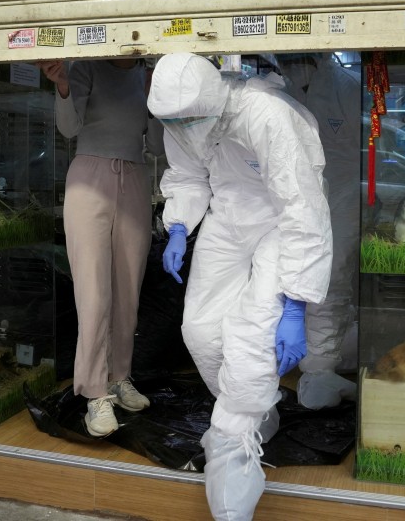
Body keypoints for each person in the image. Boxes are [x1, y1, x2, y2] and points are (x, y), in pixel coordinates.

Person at [148, 53, 332, 521]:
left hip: (279, 222)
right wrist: (177, 226)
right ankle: (255, 407)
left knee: (253, 334)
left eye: (187, 118)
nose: (182, 127)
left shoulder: (268, 115)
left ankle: (232, 453)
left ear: (209, 101)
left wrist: (293, 305)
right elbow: (189, 175)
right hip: (229, 217)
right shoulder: (183, 117)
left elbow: (303, 209)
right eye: (173, 121)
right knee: (201, 329)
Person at [38, 57, 160, 438]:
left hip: (136, 176)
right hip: (88, 176)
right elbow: (69, 128)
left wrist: (156, 99)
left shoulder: (149, 72)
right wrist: (62, 87)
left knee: (128, 292)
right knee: (93, 293)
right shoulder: (86, 65)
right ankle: (94, 393)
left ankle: (119, 377)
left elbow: (156, 146)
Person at [278, 53, 362, 409]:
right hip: (297, 195)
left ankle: (322, 366)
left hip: (342, 195)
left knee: (333, 275)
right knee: (294, 270)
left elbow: (368, 144)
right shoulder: (281, 91)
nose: (293, 62)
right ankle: (313, 360)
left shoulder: (347, 88)